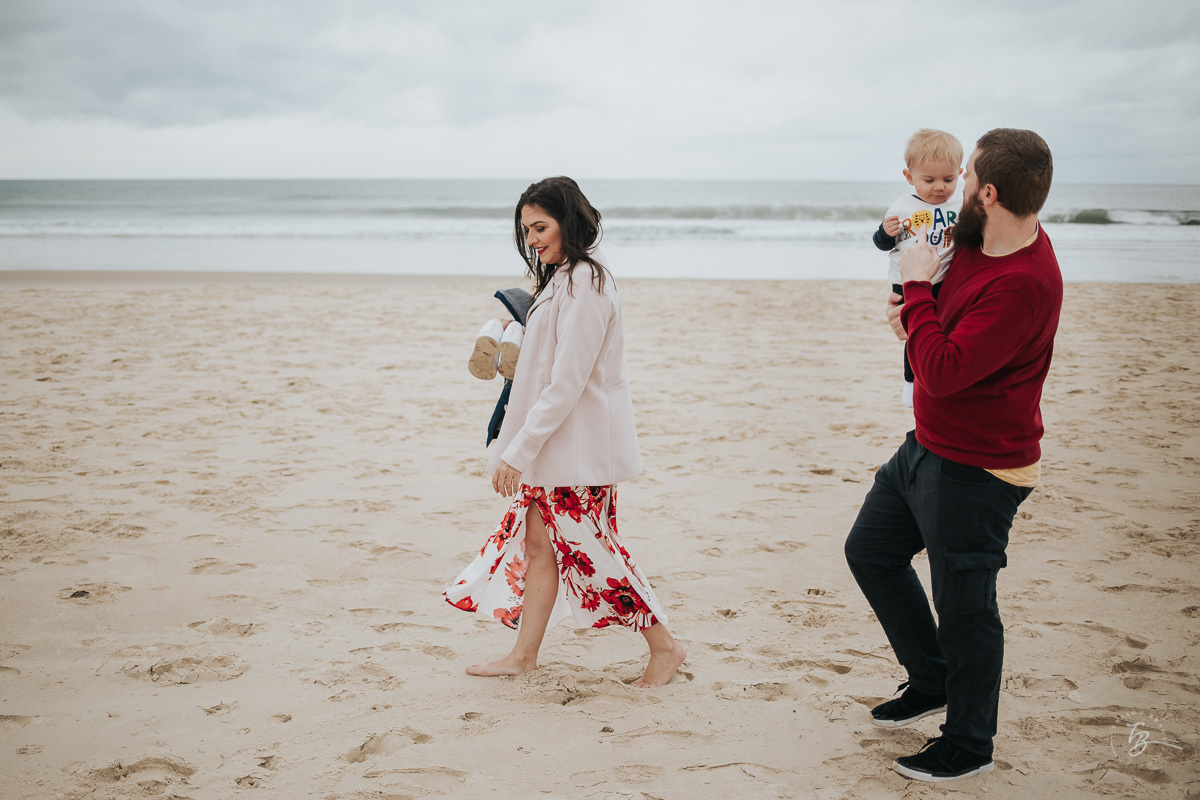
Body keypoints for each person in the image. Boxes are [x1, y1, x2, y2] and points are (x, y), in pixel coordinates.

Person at [844, 129, 1061, 782]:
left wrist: (914, 295)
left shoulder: (1023, 283)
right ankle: (931, 680)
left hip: (980, 465)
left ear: (988, 193)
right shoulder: (977, 235)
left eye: (965, 180)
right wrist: (910, 305)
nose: (955, 188)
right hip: (929, 445)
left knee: (965, 608)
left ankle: (969, 744)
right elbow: (932, 316)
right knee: (871, 552)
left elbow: (941, 371)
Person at [444, 176, 687, 688]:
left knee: (593, 550)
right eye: (526, 229)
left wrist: (518, 451)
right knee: (539, 549)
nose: (532, 239)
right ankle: (524, 655)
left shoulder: (587, 283)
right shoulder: (561, 279)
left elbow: (567, 383)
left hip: (577, 452)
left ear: (568, 221)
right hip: (554, 449)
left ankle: (665, 647)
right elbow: (537, 377)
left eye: (541, 226)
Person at [873, 129, 964, 407]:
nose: (940, 187)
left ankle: (938, 380)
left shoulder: (960, 204)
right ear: (910, 177)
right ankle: (911, 384)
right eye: (929, 180)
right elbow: (882, 245)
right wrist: (885, 233)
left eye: (948, 179)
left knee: (942, 330)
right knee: (915, 334)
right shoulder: (901, 207)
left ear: (960, 173)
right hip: (907, 280)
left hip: (944, 279)